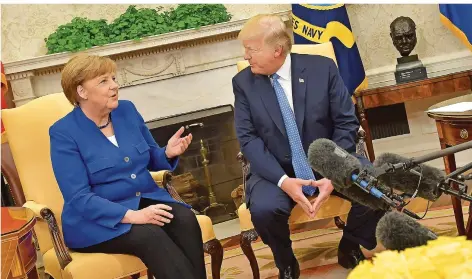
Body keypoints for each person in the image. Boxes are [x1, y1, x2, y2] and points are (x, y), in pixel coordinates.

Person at [233, 14, 385, 278]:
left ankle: (349, 243)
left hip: (328, 159)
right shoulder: (244, 83)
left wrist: (332, 172)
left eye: (251, 49)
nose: (246, 56)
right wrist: (282, 180)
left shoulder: (322, 69)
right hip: (276, 170)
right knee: (264, 209)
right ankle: (286, 262)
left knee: (375, 187)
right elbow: (248, 138)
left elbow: (346, 122)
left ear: (277, 49)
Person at [49, 54, 206, 279]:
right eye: (103, 81)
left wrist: (168, 153)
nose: (114, 85)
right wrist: (132, 216)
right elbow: (79, 198)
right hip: (96, 221)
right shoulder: (64, 133)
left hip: (143, 198)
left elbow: (151, 157)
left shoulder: (127, 110)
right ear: (81, 92)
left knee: (184, 219)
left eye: (113, 78)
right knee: (150, 235)